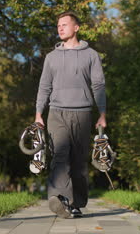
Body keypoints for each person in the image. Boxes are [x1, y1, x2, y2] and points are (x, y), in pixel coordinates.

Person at [35, 11, 106, 218]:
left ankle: (76, 202)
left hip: (83, 113)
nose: (60, 28)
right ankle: (59, 198)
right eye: (58, 25)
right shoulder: (51, 58)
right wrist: (39, 113)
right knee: (59, 156)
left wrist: (102, 114)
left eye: (64, 24)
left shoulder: (91, 55)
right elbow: (44, 86)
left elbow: (99, 85)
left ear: (76, 28)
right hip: (56, 113)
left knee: (78, 161)